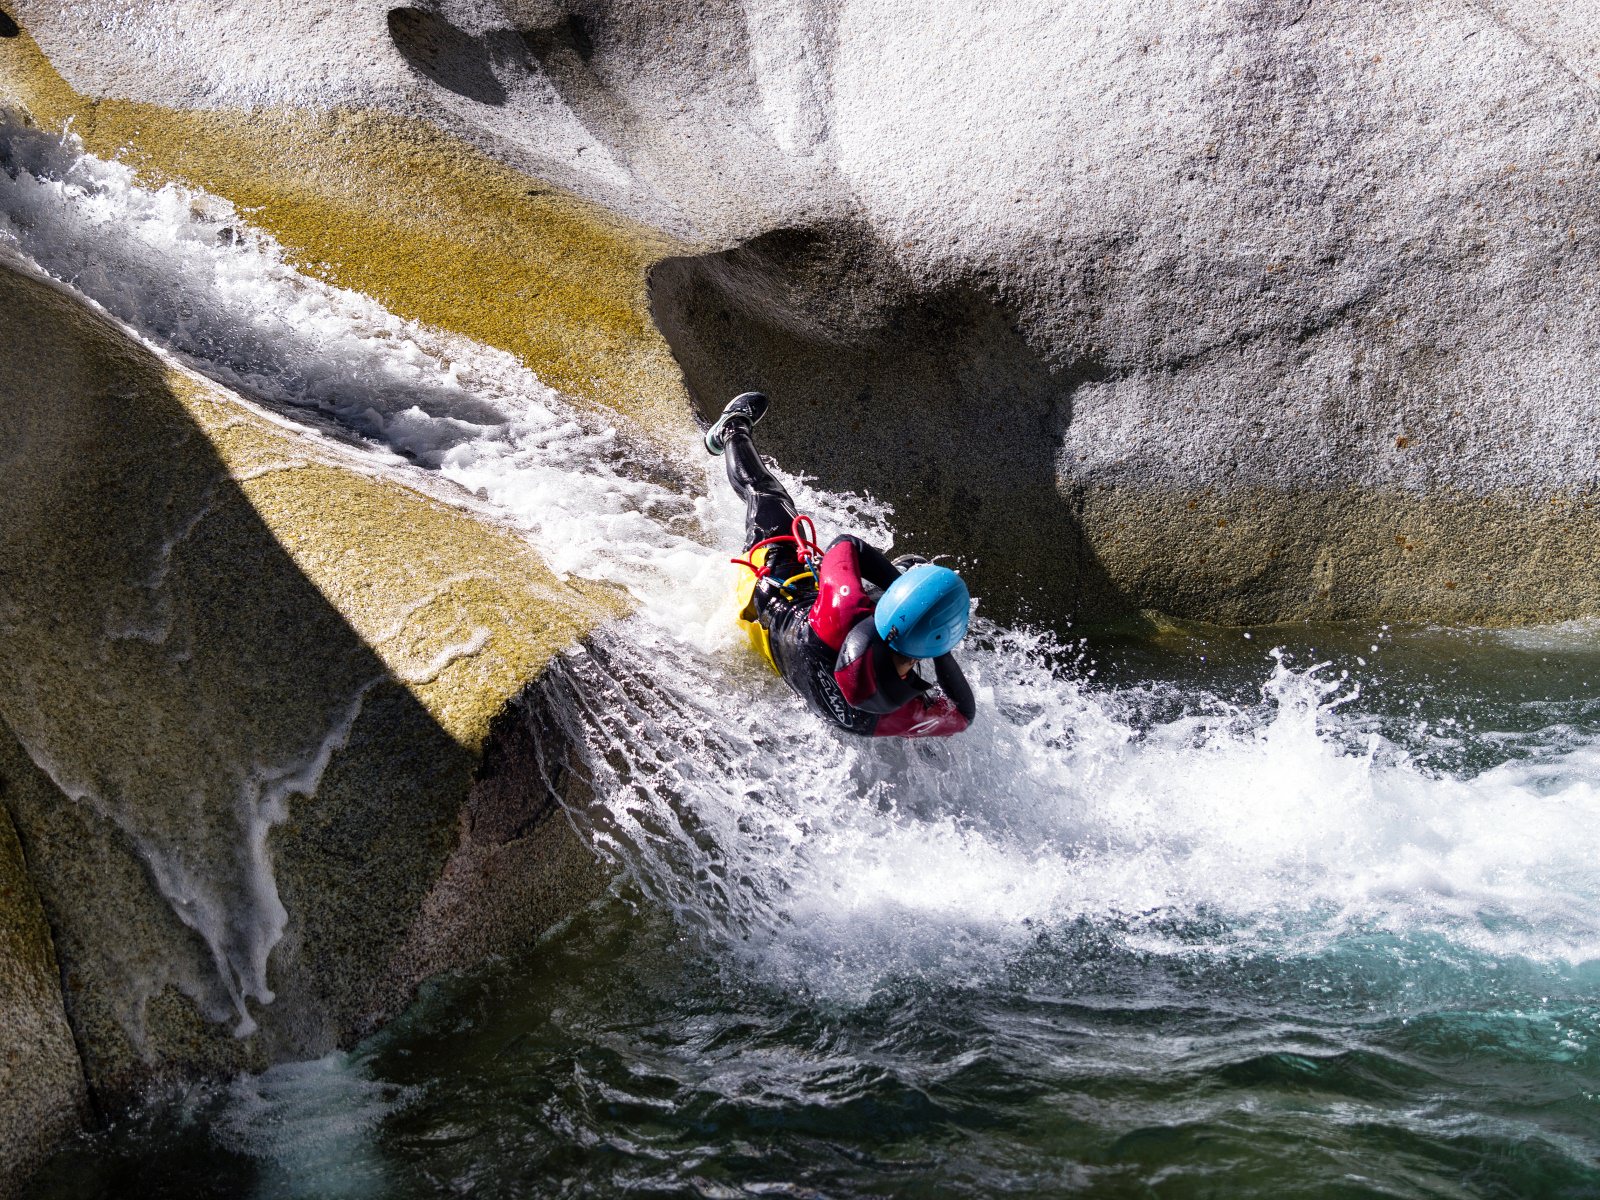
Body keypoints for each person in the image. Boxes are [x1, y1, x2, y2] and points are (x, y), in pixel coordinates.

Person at [706, 391, 976, 738]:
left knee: (766, 493)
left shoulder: (843, 611)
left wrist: (901, 586)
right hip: (790, 670)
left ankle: (732, 428)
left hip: (767, 603)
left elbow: (846, 545)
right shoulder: (902, 715)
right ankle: (909, 590)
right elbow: (964, 714)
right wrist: (939, 649)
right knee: (909, 568)